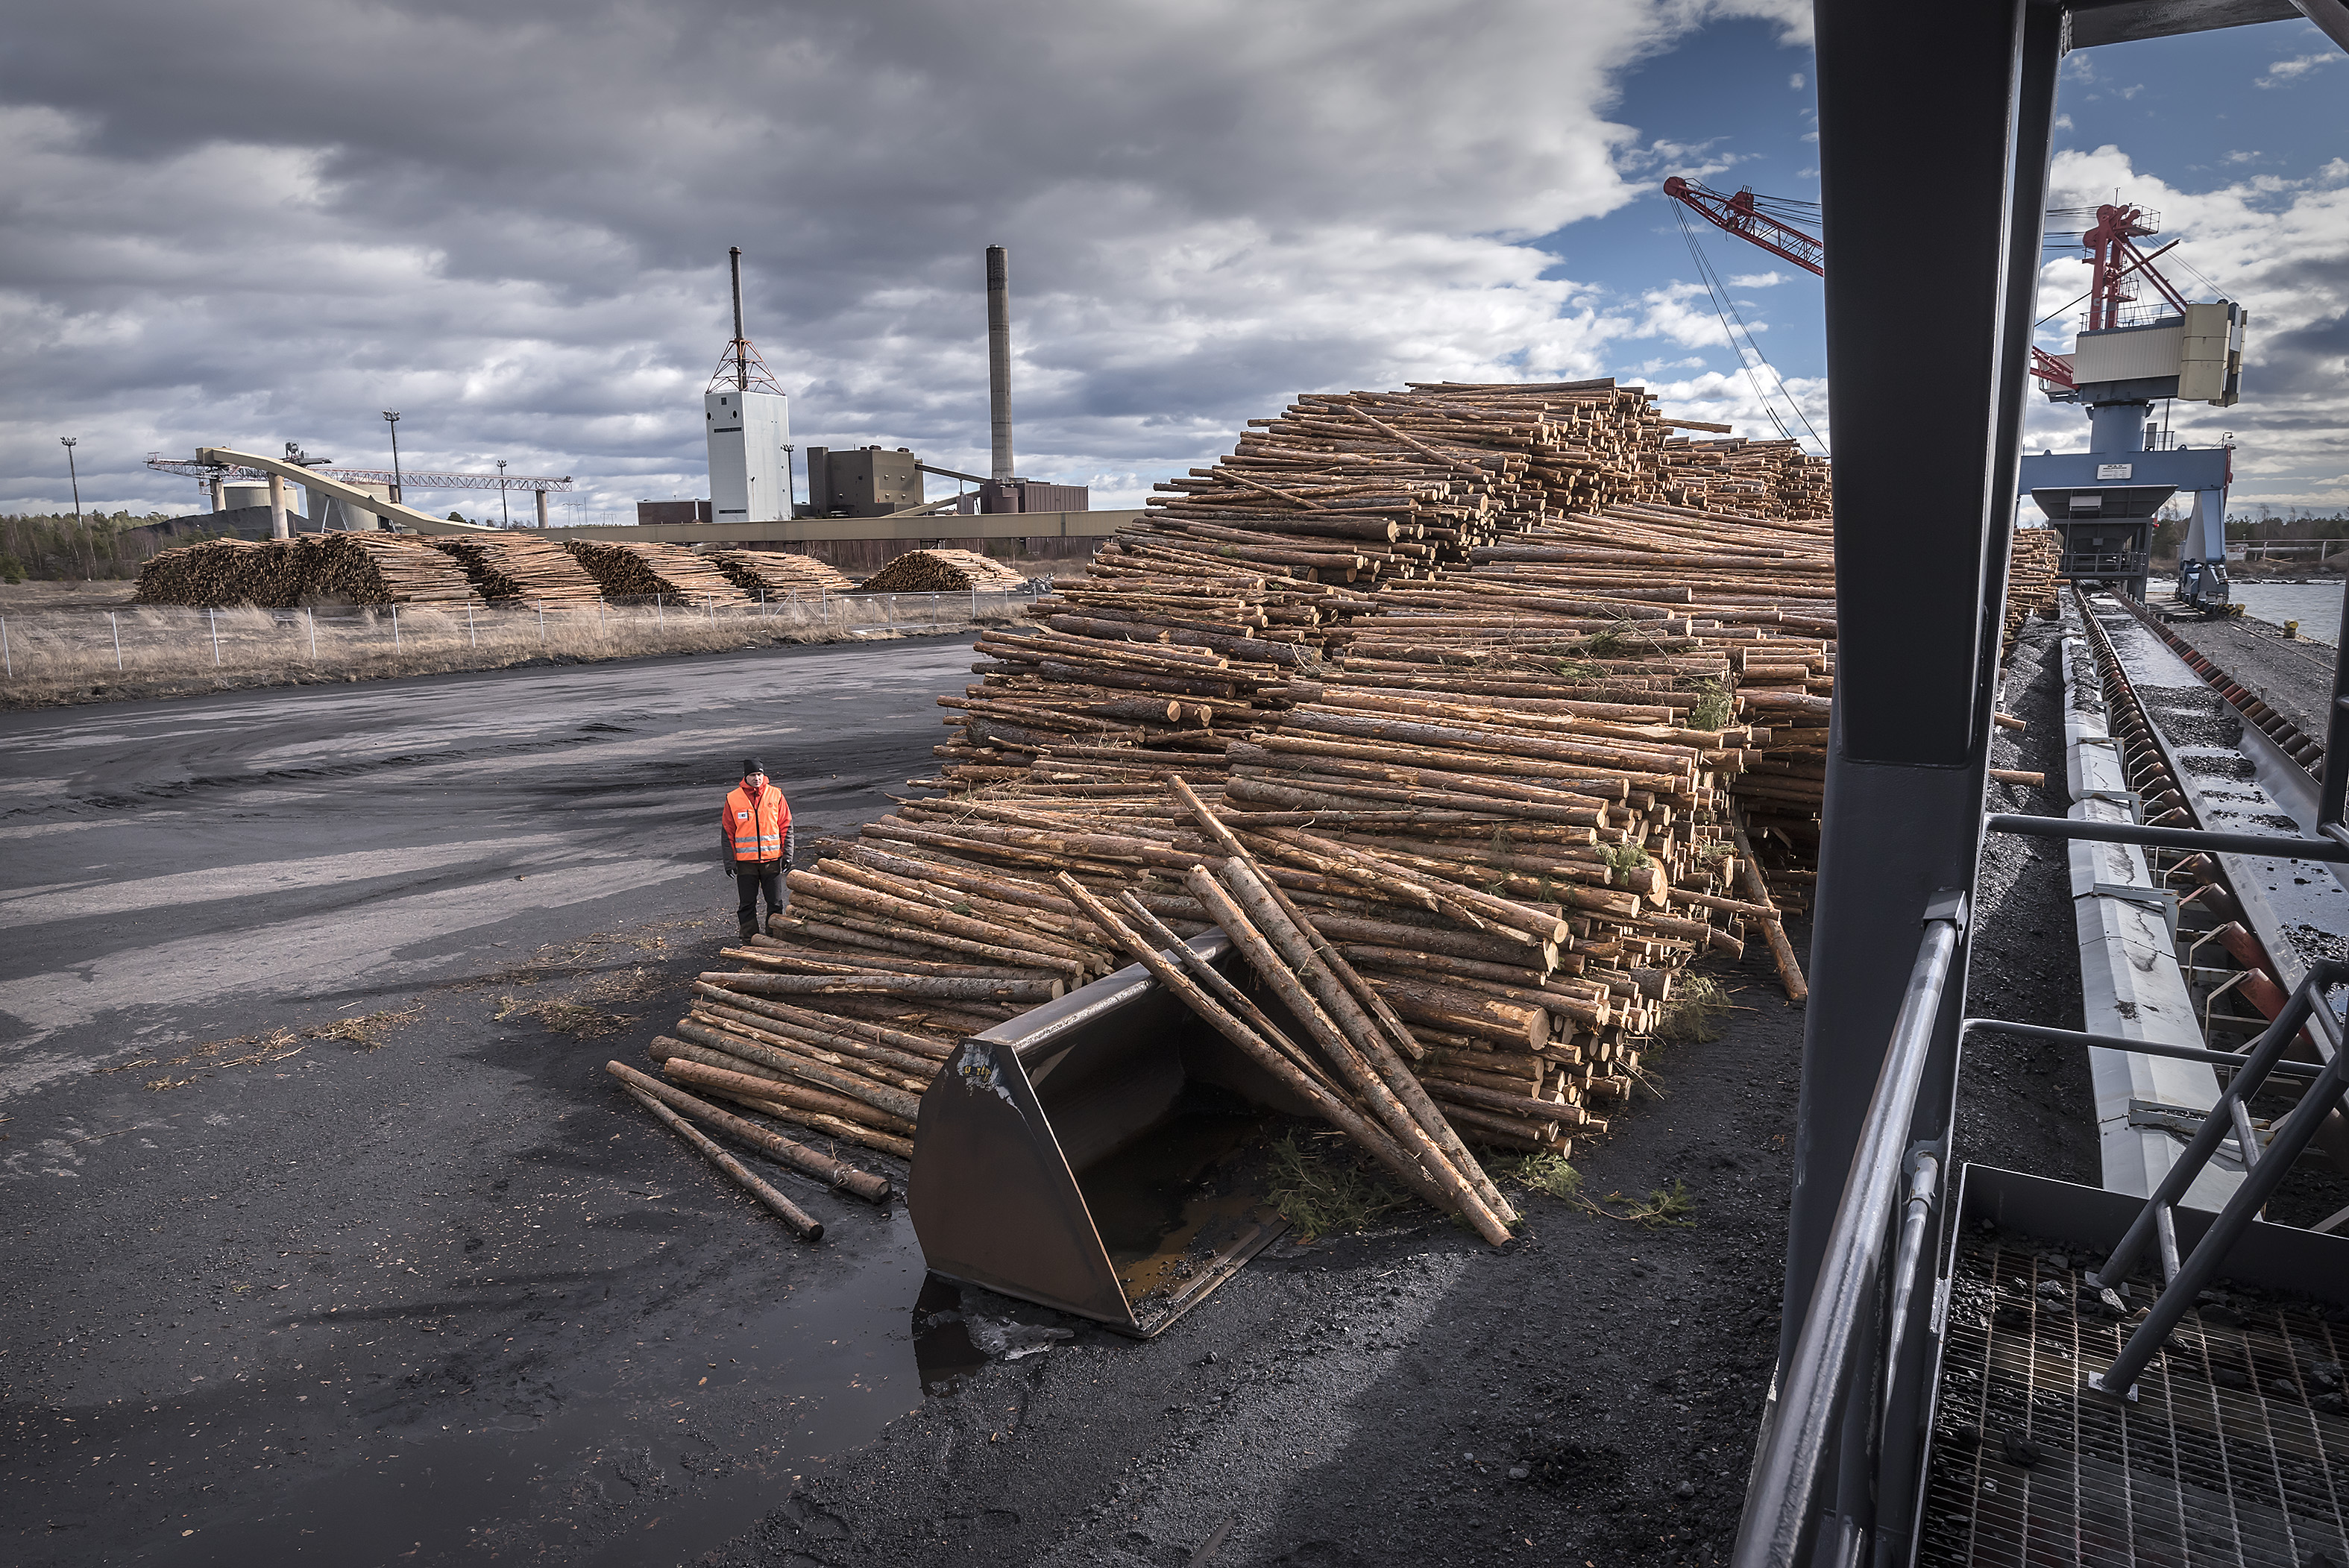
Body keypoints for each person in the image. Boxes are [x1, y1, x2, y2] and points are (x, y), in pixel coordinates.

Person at [720, 758, 793, 939]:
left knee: (775, 902)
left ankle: (775, 935)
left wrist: (788, 854)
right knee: (747, 903)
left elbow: (786, 826)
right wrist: (729, 862)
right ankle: (748, 937)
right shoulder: (733, 798)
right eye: (753, 775)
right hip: (746, 863)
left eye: (759, 774)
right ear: (746, 776)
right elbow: (728, 832)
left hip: (772, 860)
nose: (757, 778)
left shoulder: (776, 795)